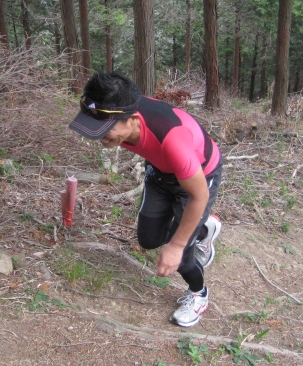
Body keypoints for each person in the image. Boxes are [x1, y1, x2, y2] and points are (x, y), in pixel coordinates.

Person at [69, 72, 222, 327]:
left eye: (106, 130)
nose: (98, 136)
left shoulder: (173, 141)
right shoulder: (120, 108)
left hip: (198, 177)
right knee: (149, 239)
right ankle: (204, 228)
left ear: (133, 119)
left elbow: (198, 195)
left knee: (182, 253)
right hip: (161, 172)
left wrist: (175, 246)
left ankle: (199, 293)